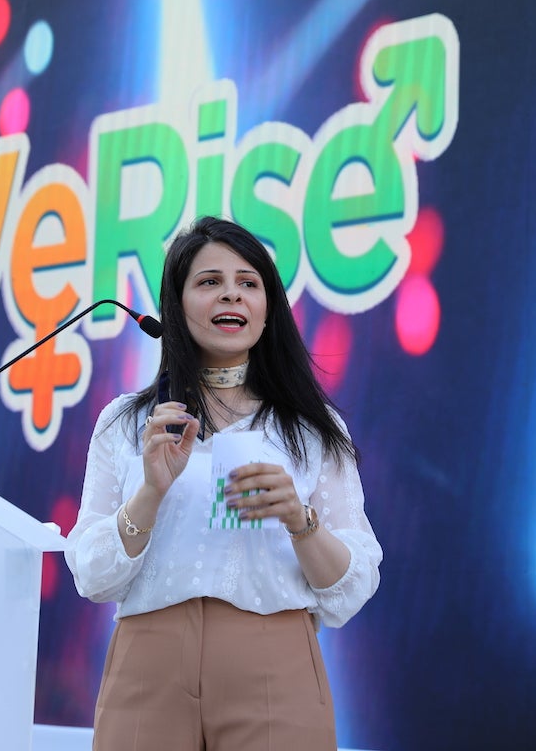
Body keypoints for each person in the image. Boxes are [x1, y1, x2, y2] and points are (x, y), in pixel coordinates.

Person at [65, 216, 382, 750]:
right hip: (149, 664)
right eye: (209, 281)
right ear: (177, 304)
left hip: (272, 662)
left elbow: (351, 589)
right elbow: (93, 576)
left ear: (267, 310)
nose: (230, 294)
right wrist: (150, 491)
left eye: (248, 283)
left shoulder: (311, 429)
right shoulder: (126, 422)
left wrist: (301, 525)